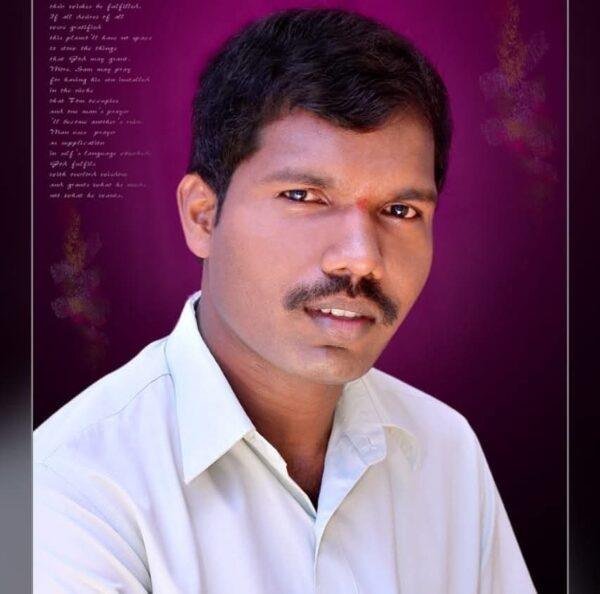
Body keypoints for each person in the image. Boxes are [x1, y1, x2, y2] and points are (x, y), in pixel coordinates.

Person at [34, 8, 537, 593]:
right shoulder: (73, 488)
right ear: (203, 216)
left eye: (400, 211)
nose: (360, 258)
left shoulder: (444, 451)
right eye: (303, 196)